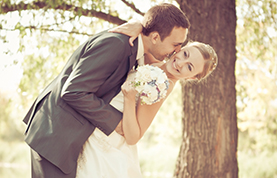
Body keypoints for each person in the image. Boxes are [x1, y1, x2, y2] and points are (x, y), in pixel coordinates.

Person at [22, 3, 190, 178]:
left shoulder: (134, 47)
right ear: (155, 37)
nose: (177, 51)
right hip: (55, 135)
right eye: (175, 44)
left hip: (65, 138)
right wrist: (117, 122)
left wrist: (139, 24)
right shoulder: (117, 45)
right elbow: (74, 91)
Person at [76, 41, 218, 178]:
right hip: (96, 123)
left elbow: (133, 137)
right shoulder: (158, 63)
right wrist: (136, 26)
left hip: (107, 141)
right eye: (185, 54)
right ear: (180, 48)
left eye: (189, 67)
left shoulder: (161, 84)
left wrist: (129, 99)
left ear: (192, 77)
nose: (180, 63)